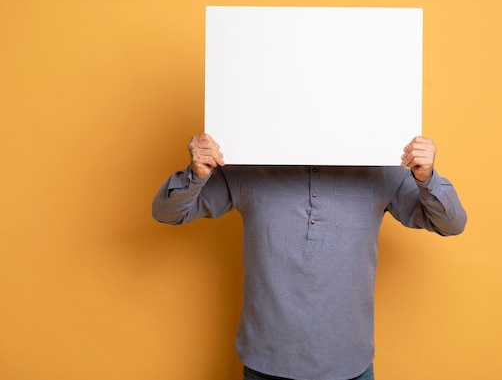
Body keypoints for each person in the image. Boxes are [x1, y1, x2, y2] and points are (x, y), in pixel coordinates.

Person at [152, 133, 467, 380]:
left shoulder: (383, 167)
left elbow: (451, 223)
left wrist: (427, 177)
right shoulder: (248, 164)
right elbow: (167, 213)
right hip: (265, 364)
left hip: (349, 365)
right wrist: (196, 172)